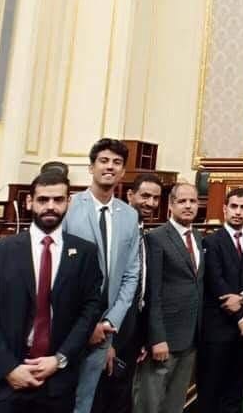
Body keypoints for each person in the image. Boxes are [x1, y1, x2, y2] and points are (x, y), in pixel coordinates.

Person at [0, 168, 104, 412]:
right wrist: (9, 369)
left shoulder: (85, 253)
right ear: (29, 202)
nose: (50, 206)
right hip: (2, 383)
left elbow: (90, 311)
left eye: (58, 199)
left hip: (56, 383)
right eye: (43, 199)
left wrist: (60, 359)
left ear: (68, 202)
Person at [63, 138, 141, 413]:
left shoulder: (129, 215)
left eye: (117, 163)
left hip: (106, 328)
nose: (110, 167)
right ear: (91, 167)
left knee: (85, 402)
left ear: (123, 172)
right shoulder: (69, 207)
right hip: (69, 324)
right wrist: (87, 325)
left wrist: (110, 321)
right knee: (60, 400)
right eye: (104, 161)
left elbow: (131, 274)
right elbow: (60, 273)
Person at [91, 172, 163, 413]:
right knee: (101, 400)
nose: (150, 203)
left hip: (133, 332)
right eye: (145, 196)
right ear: (130, 195)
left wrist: (142, 337)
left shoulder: (147, 237)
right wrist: (107, 343)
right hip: (108, 331)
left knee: (122, 400)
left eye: (155, 198)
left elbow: (143, 290)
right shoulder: (114, 234)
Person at [133, 182, 204, 413]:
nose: (188, 206)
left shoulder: (198, 236)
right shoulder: (157, 237)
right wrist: (157, 338)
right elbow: (152, 292)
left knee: (175, 404)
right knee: (150, 404)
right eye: (182, 201)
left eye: (192, 201)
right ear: (171, 205)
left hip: (190, 336)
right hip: (164, 338)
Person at [197, 188, 243, 413]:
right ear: (225, 209)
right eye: (234, 206)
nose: (238, 212)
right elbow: (216, 282)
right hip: (219, 328)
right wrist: (241, 316)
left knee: (236, 390)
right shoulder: (211, 241)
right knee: (211, 391)